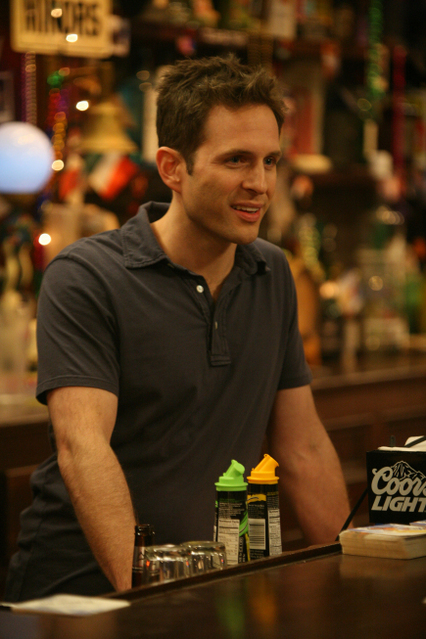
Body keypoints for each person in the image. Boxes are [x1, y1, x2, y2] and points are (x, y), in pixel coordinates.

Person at [5, 55, 350, 602]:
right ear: (172, 168)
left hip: (212, 588)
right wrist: (147, 600)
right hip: (81, 596)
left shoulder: (272, 272)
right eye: (236, 160)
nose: (260, 184)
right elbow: (83, 448)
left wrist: (354, 577)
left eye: (270, 161)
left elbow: (303, 446)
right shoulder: (88, 275)